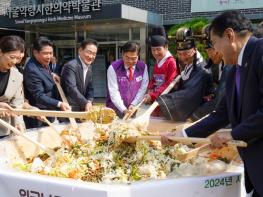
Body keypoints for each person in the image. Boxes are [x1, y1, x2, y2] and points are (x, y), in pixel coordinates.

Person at [163, 10, 263, 197]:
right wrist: (181, 135)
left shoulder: (261, 52)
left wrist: (233, 133)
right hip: (256, 169)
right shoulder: (234, 70)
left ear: (230, 35)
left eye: (215, 43)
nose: (214, 51)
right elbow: (222, 114)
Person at [157, 27, 212, 121]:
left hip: (198, 114)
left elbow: (189, 95)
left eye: (186, 53)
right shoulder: (187, 65)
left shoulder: (203, 70)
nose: (183, 57)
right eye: (179, 54)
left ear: (194, 50)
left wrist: (163, 101)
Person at [23, 37, 70, 129]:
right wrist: (59, 104)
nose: (49, 56)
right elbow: (39, 95)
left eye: (51, 53)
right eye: (45, 53)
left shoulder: (43, 63)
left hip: (48, 112)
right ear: (35, 52)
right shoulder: (32, 70)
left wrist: (52, 74)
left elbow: (44, 75)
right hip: (38, 117)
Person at [190, 25, 231, 121]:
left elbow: (220, 101)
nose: (210, 55)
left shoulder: (231, 65)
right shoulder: (213, 63)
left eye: (211, 50)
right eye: (207, 51)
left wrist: (194, 116)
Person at [106, 41, 149, 118]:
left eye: (133, 58)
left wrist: (134, 104)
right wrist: (123, 109)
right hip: (114, 110)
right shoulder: (113, 68)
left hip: (132, 109)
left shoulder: (143, 67)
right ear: (122, 54)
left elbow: (143, 88)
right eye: (127, 57)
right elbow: (113, 91)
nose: (130, 61)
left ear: (138, 56)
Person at [144, 26, 178, 116]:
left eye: (158, 49)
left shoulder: (171, 62)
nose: (155, 53)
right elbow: (154, 79)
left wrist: (153, 95)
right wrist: (150, 88)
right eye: (153, 50)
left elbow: (169, 84)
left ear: (166, 47)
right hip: (156, 99)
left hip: (166, 101)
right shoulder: (158, 61)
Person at [61, 39, 97, 112]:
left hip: (82, 111)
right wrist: (86, 102)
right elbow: (71, 88)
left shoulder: (89, 67)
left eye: (94, 54)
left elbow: (90, 88)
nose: (91, 56)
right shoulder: (71, 66)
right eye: (89, 52)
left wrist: (89, 101)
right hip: (70, 111)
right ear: (80, 50)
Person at [0, 35, 25, 137]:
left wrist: (18, 122)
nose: (14, 62)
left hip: (4, 127)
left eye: (18, 58)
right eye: (12, 57)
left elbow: (17, 102)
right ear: (1, 52)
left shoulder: (17, 75)